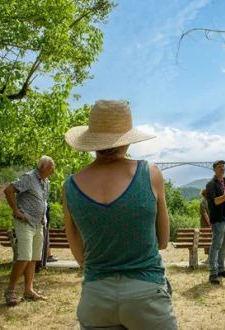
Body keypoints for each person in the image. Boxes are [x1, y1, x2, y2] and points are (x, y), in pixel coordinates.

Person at [62, 100, 178, 330]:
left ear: (92, 140)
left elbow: (79, 254)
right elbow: (163, 241)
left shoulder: (70, 186)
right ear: (126, 139)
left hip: (95, 297)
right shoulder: (150, 173)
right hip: (147, 296)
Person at [3, 156, 55, 306]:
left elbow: (43, 202)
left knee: (33, 258)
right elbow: (8, 190)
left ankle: (28, 290)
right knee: (24, 256)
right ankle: (10, 290)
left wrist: (43, 218)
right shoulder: (29, 178)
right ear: (43, 167)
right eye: (51, 167)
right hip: (24, 223)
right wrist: (16, 211)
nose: (53, 170)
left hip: (38, 224)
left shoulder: (46, 182)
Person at [200, 189, 210, 256]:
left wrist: (209, 223)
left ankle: (209, 257)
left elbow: (204, 214)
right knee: (211, 239)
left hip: (205, 224)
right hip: (213, 223)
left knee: (206, 240)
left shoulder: (202, 202)